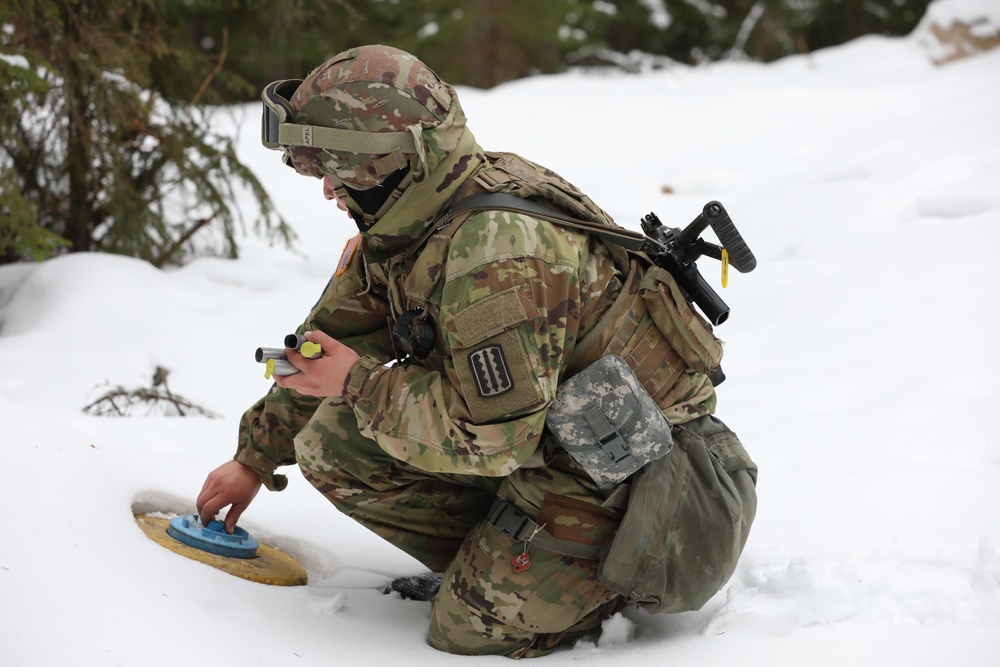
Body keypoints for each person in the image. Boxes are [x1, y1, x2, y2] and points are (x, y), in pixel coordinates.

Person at [196, 44, 757, 658]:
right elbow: (324, 342)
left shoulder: (494, 256)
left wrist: (358, 383)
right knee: (331, 444)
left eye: (338, 167)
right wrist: (253, 457)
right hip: (553, 434)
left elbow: (495, 439)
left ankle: (597, 594)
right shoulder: (411, 219)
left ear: (393, 162)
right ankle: (503, 555)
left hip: (641, 481)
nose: (328, 187)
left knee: (463, 629)